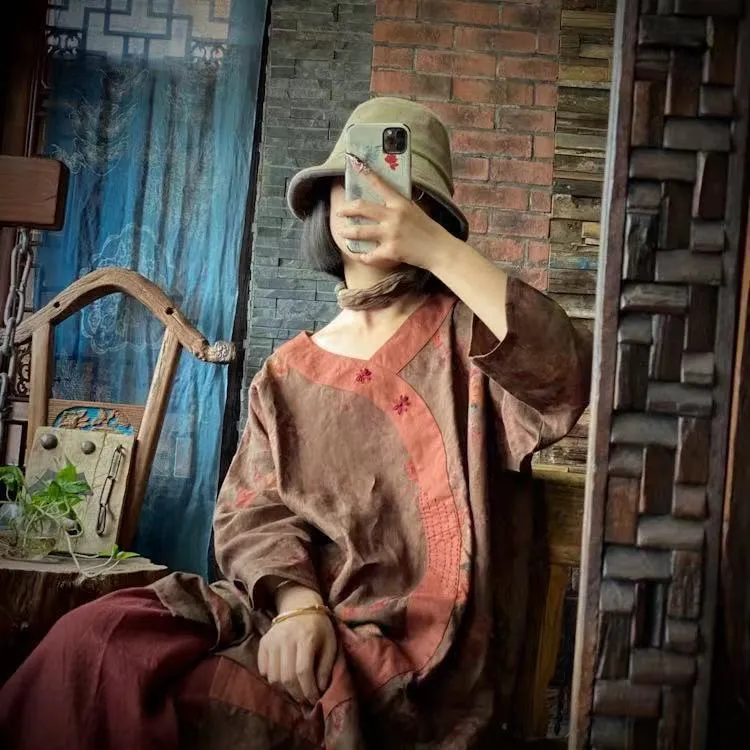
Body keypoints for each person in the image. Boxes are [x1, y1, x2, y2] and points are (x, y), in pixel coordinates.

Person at [0, 97, 591, 749]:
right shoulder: (286, 373)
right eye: (354, 183)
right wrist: (297, 606)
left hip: (409, 653)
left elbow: (563, 375)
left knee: (202, 704)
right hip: (283, 617)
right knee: (92, 643)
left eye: (398, 191)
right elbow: (252, 514)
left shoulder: (470, 340)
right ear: (325, 204)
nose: (371, 204)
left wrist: (438, 251)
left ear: (429, 214)